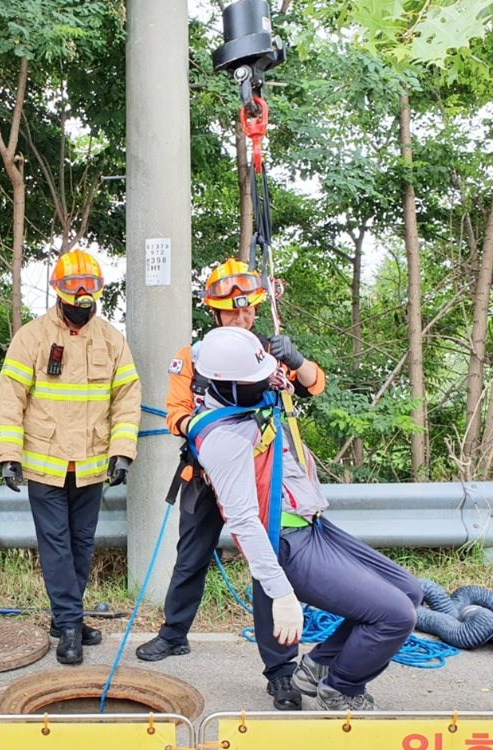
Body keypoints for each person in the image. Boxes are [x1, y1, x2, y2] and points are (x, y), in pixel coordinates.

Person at [188, 326, 423, 711]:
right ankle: (341, 689)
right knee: (395, 617)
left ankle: (318, 666)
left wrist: (293, 362)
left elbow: (308, 384)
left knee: (410, 592)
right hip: (288, 543)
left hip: (311, 524)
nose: (262, 385)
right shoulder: (224, 439)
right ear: (222, 385)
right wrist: (281, 594)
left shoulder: (245, 399)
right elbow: (244, 523)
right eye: (253, 381)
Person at [136, 258, 325, 710]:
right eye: (233, 313)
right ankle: (174, 633)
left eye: (249, 312)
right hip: (207, 471)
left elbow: (314, 386)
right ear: (216, 313)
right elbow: (177, 414)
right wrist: (213, 426)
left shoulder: (269, 352)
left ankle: (280, 671)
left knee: (266, 561)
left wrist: (295, 361)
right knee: (190, 557)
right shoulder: (193, 357)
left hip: (263, 473)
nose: (243, 319)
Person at [0, 248, 141, 666]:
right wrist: (10, 454)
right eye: (74, 289)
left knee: (80, 544)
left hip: (92, 462)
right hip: (44, 461)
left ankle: (66, 618)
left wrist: (123, 451)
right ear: (59, 292)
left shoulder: (112, 341)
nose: (82, 298)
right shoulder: (32, 338)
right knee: (56, 545)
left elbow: (128, 400)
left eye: (90, 290)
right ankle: (71, 625)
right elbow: (11, 399)